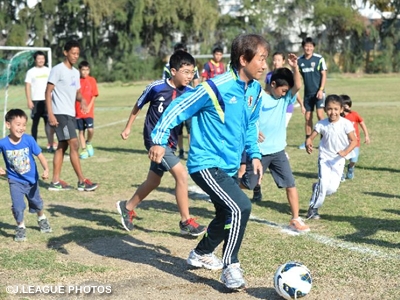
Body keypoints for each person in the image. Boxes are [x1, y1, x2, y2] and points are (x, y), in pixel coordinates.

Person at [149, 33, 269, 290]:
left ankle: (201, 253)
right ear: (243, 59)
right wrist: (158, 139)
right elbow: (177, 107)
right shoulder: (215, 87)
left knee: (226, 213)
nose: (264, 65)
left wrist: (255, 154)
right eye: (260, 59)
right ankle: (231, 266)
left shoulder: (255, 90)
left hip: (226, 167)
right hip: (204, 164)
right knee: (241, 207)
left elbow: (250, 126)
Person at [116, 50, 206, 237]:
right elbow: (138, 105)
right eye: (186, 72)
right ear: (173, 71)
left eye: (192, 72)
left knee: (154, 180)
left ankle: (127, 207)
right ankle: (186, 221)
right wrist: (128, 128)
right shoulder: (156, 87)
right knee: (181, 175)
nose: (190, 76)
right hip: (155, 141)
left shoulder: (190, 93)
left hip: (171, 142)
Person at [239, 57, 310, 233]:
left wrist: (295, 68)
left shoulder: (284, 100)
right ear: (273, 84)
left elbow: (298, 87)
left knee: (290, 184)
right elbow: (244, 116)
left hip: (278, 151)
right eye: (282, 90)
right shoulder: (258, 97)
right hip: (259, 153)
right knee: (249, 184)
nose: (285, 93)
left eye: (287, 91)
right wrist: (254, 130)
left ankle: (295, 219)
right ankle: (228, 182)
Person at [45, 40, 98, 192]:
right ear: (65, 52)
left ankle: (55, 181)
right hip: (59, 113)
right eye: (73, 53)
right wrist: (50, 114)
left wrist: (82, 100)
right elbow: (48, 92)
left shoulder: (75, 73)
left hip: (70, 113)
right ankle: (82, 181)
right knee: (74, 144)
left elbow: (77, 92)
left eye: (77, 54)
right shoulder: (57, 70)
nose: (75, 56)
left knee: (62, 145)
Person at [0, 109, 52, 242]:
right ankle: (21, 227)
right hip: (14, 181)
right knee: (18, 206)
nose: (21, 128)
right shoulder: (3, 143)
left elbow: (40, 155)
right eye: (18, 124)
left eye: (24, 125)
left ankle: (41, 218)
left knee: (36, 202)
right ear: (8, 125)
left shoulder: (29, 140)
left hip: (31, 180)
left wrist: (46, 169)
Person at [305, 95, 357, 220]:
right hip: (325, 159)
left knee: (332, 189)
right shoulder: (322, 124)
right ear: (325, 109)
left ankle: (316, 188)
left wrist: (345, 152)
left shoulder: (346, 124)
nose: (332, 112)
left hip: (338, 160)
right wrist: (308, 142)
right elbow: (311, 137)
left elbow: (353, 141)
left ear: (341, 110)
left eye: (335, 109)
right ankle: (313, 209)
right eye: (329, 109)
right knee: (323, 184)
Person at [162, 42, 199, 159]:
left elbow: (196, 82)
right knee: (177, 130)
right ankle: (181, 150)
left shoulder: (192, 65)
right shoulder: (168, 66)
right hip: (175, 103)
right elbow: (166, 83)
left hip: (188, 102)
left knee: (190, 128)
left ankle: (191, 151)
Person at [298, 37, 327, 149]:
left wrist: (321, 89)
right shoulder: (300, 61)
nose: (308, 48)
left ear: (313, 47)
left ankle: (323, 141)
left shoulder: (319, 59)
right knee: (308, 117)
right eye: (306, 46)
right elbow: (297, 76)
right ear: (303, 47)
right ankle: (307, 141)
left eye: (310, 46)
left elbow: (324, 74)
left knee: (320, 115)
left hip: (319, 93)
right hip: (307, 94)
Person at [25, 51, 56, 152]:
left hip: (47, 100)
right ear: (35, 60)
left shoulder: (49, 71)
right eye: (39, 58)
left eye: (42, 58)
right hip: (36, 101)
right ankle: (33, 145)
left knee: (49, 123)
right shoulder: (31, 72)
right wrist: (29, 100)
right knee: (35, 123)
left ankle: (50, 145)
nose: (41, 60)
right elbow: (27, 86)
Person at [340, 94, 370, 180]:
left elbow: (362, 123)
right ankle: (341, 174)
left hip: (355, 143)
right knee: (341, 159)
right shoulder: (339, 117)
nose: (347, 108)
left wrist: (366, 135)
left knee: (354, 160)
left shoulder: (354, 114)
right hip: (343, 143)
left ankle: (350, 168)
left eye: (348, 105)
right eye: (345, 106)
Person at [75, 60, 99, 159]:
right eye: (83, 70)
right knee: (81, 131)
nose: (85, 72)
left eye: (87, 70)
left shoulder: (92, 80)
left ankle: (88, 142)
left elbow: (94, 95)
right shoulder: (76, 81)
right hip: (78, 110)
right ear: (79, 70)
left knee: (90, 129)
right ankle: (84, 150)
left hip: (88, 111)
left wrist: (89, 106)